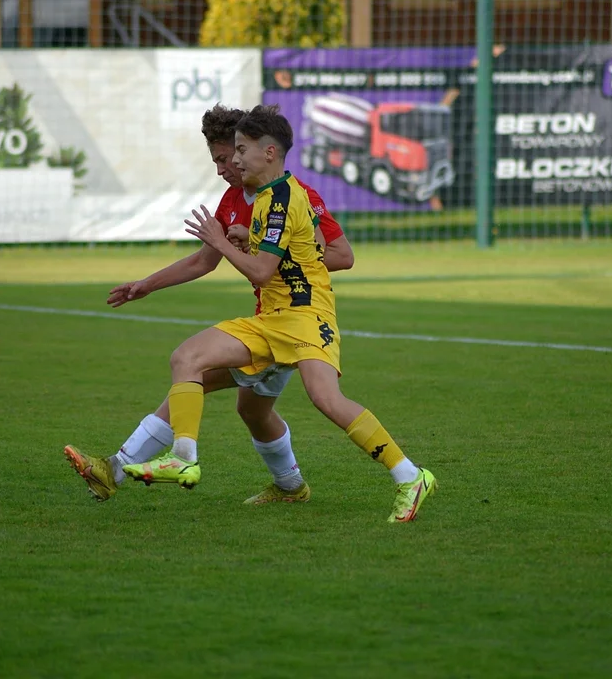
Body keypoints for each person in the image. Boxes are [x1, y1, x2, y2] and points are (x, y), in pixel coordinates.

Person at [122, 104, 437, 523]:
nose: (231, 162)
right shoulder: (267, 196)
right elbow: (264, 254)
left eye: (238, 151)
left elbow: (264, 268)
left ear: (268, 152)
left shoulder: (285, 198)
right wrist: (238, 240)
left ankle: (410, 475)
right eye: (228, 153)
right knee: (189, 359)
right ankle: (183, 458)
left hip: (306, 315)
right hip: (272, 316)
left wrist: (224, 241)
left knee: (326, 399)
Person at [63, 104, 354, 505]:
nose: (222, 167)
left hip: (293, 322)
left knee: (192, 370)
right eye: (219, 159)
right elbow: (205, 259)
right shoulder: (233, 200)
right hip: (268, 320)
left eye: (225, 157)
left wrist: (262, 252)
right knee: (250, 410)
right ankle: (290, 487)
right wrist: (147, 285)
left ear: (248, 148)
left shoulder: (294, 196)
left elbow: (342, 254)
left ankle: (115, 469)